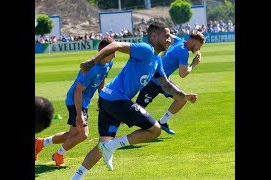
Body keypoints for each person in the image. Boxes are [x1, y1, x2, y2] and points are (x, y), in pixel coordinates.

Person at [71, 21, 198, 179]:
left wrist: (183, 96)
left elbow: (166, 85)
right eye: (166, 36)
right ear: (153, 36)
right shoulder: (145, 49)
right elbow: (115, 45)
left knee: (101, 146)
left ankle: (76, 177)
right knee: (155, 130)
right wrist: (92, 62)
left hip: (107, 98)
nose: (169, 40)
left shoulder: (157, 61)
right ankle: (112, 146)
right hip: (117, 100)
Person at [35, 37, 115, 166]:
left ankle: (40, 143)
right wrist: (79, 114)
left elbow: (102, 79)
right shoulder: (92, 69)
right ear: (104, 52)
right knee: (83, 134)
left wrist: (102, 98)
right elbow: (78, 91)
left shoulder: (108, 64)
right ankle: (58, 155)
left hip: (83, 101)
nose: (115, 56)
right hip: (75, 100)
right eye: (112, 52)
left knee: (72, 135)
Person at [136, 30, 205, 134]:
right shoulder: (183, 52)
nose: (198, 49)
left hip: (164, 82)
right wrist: (194, 64)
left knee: (181, 99)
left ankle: (163, 122)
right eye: (199, 46)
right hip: (153, 82)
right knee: (136, 110)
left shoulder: (179, 41)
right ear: (194, 41)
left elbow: (167, 34)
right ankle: (113, 121)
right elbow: (183, 74)